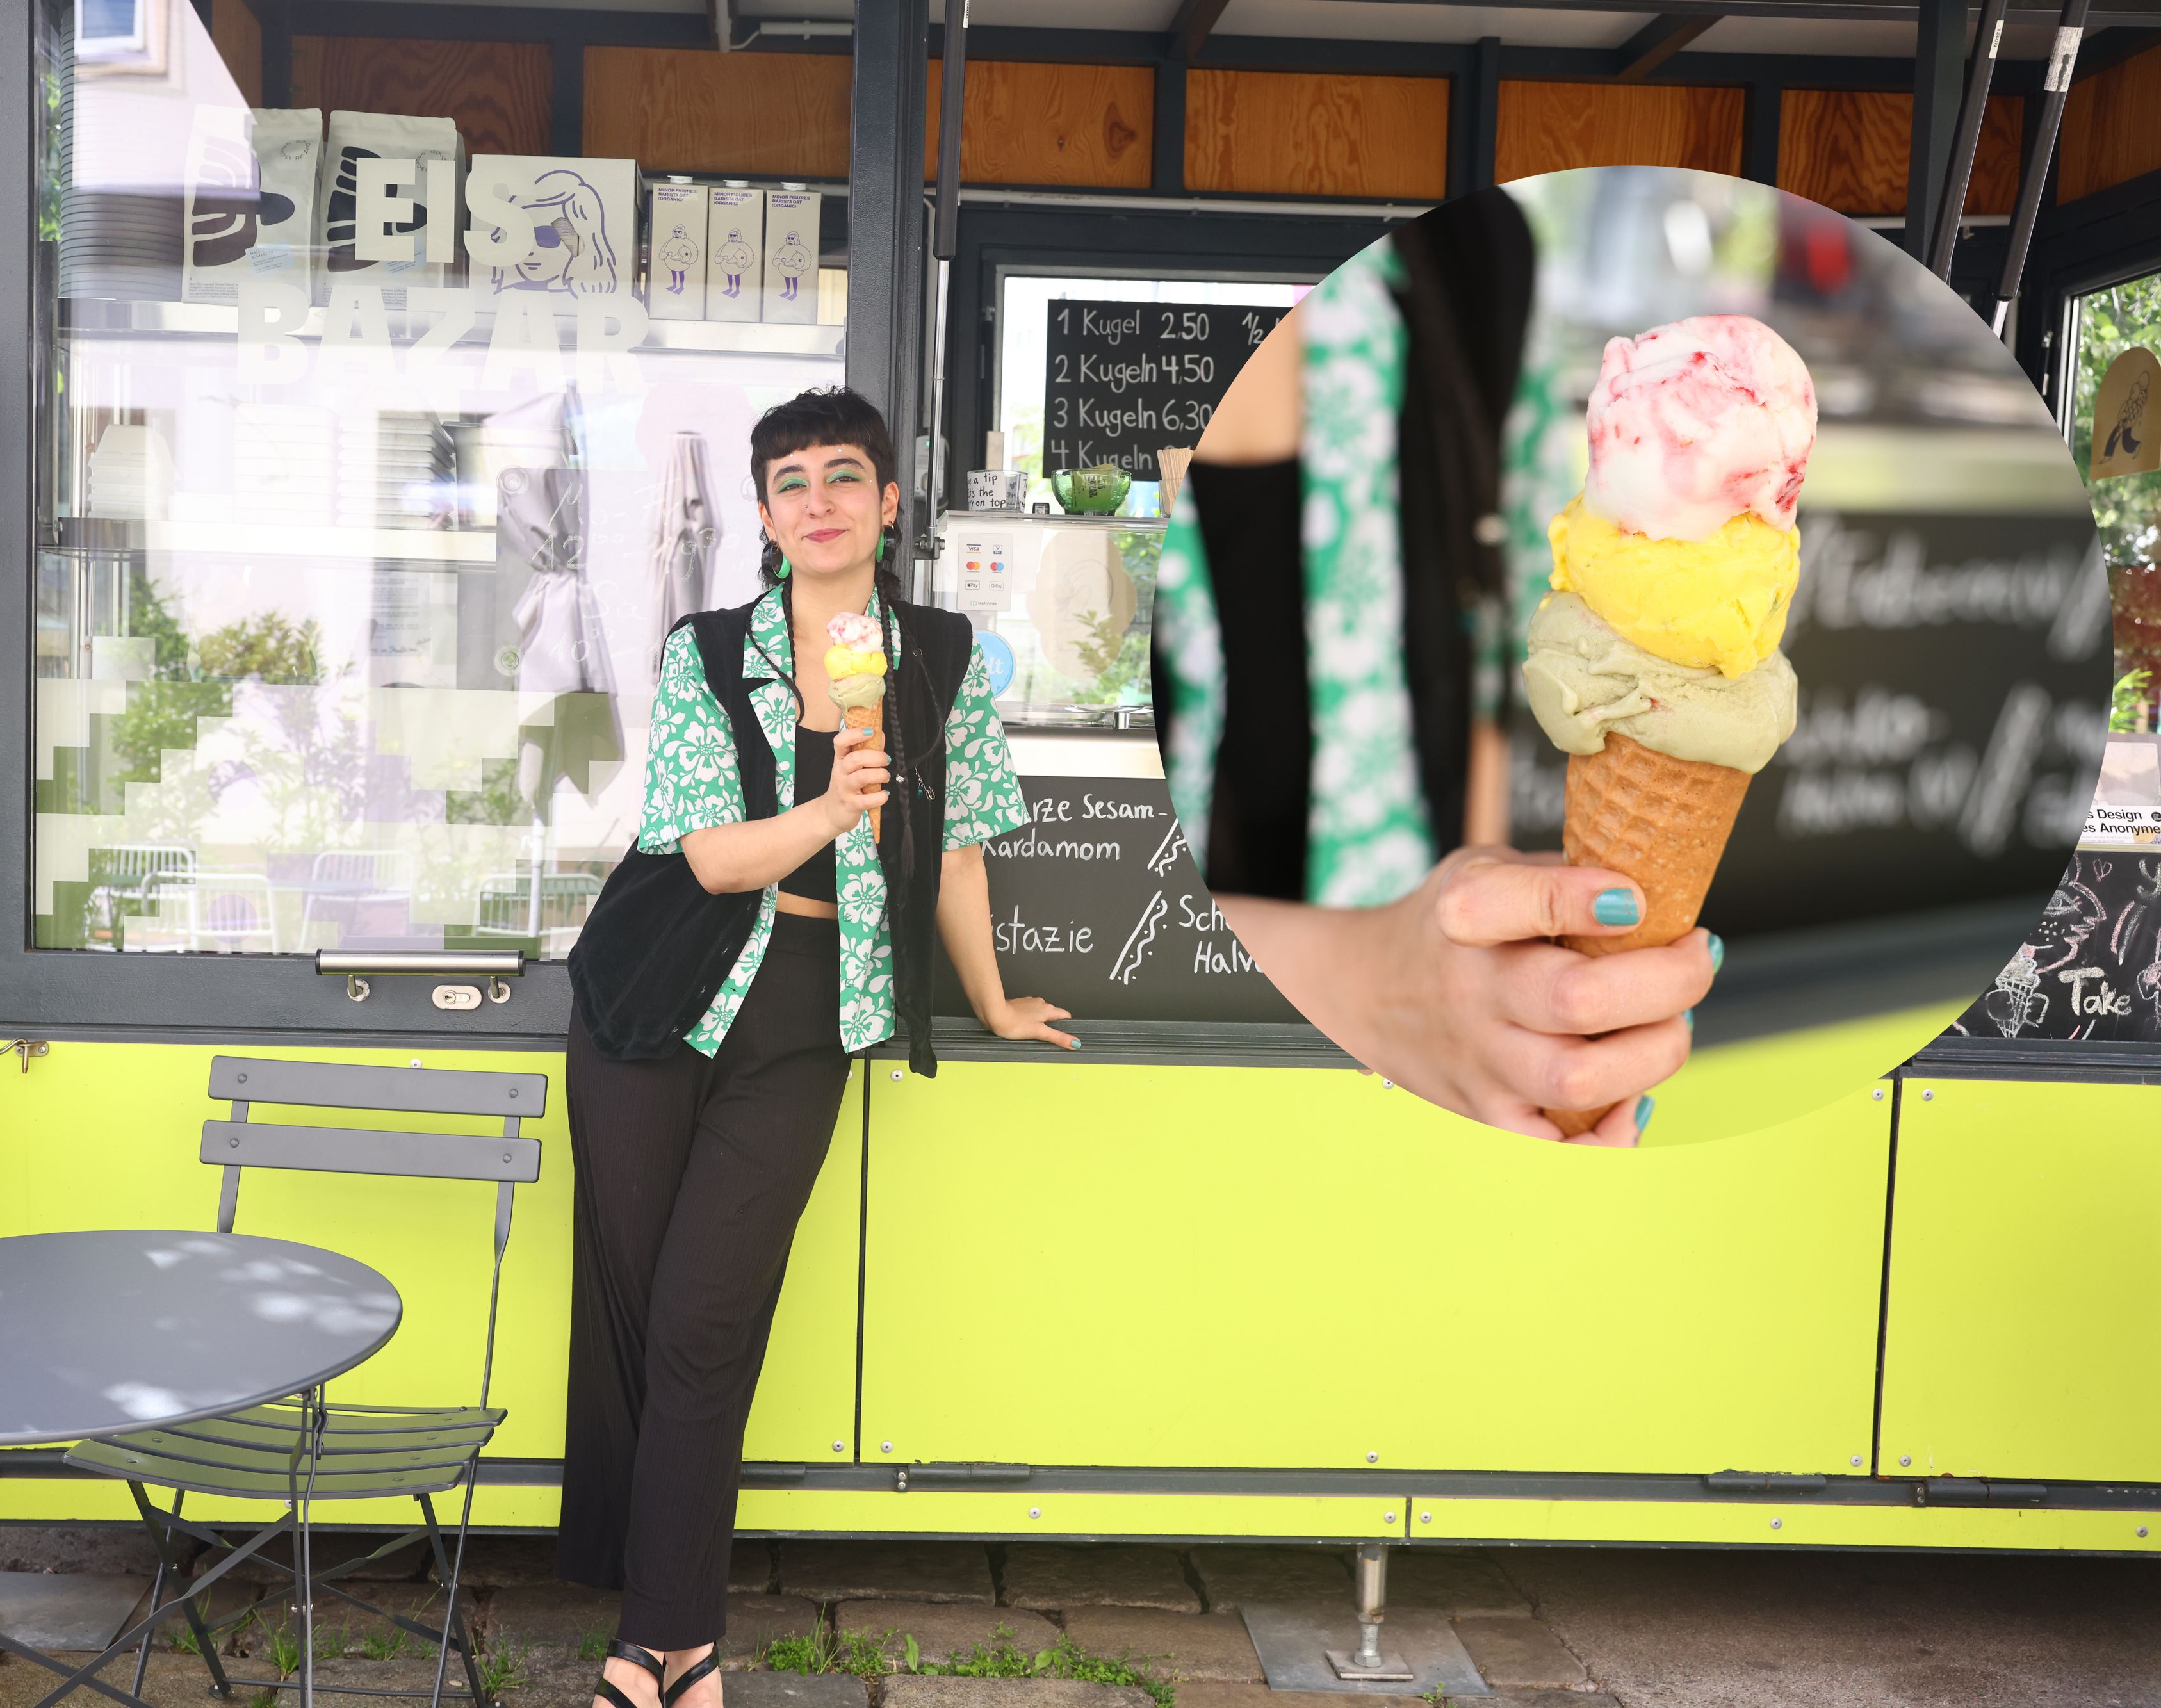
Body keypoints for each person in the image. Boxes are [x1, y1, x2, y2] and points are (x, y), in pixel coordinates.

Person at [560, 387, 1077, 1708]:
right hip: (656, 992)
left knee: (706, 1317)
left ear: (889, 503)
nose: (818, 500)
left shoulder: (941, 657)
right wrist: (834, 804)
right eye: (789, 483)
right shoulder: (706, 650)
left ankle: (656, 1641)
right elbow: (705, 856)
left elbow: (956, 849)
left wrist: (991, 1000)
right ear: (767, 517)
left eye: (843, 475)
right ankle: (657, 1623)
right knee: (637, 1314)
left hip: (807, 1006)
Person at [1152, 190, 1716, 1145]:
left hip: (1418, 1036)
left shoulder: (1474, 249)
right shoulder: (1122, 288)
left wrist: (1487, 959)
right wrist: (1374, 983)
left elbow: (1502, 632)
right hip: (1164, 1049)